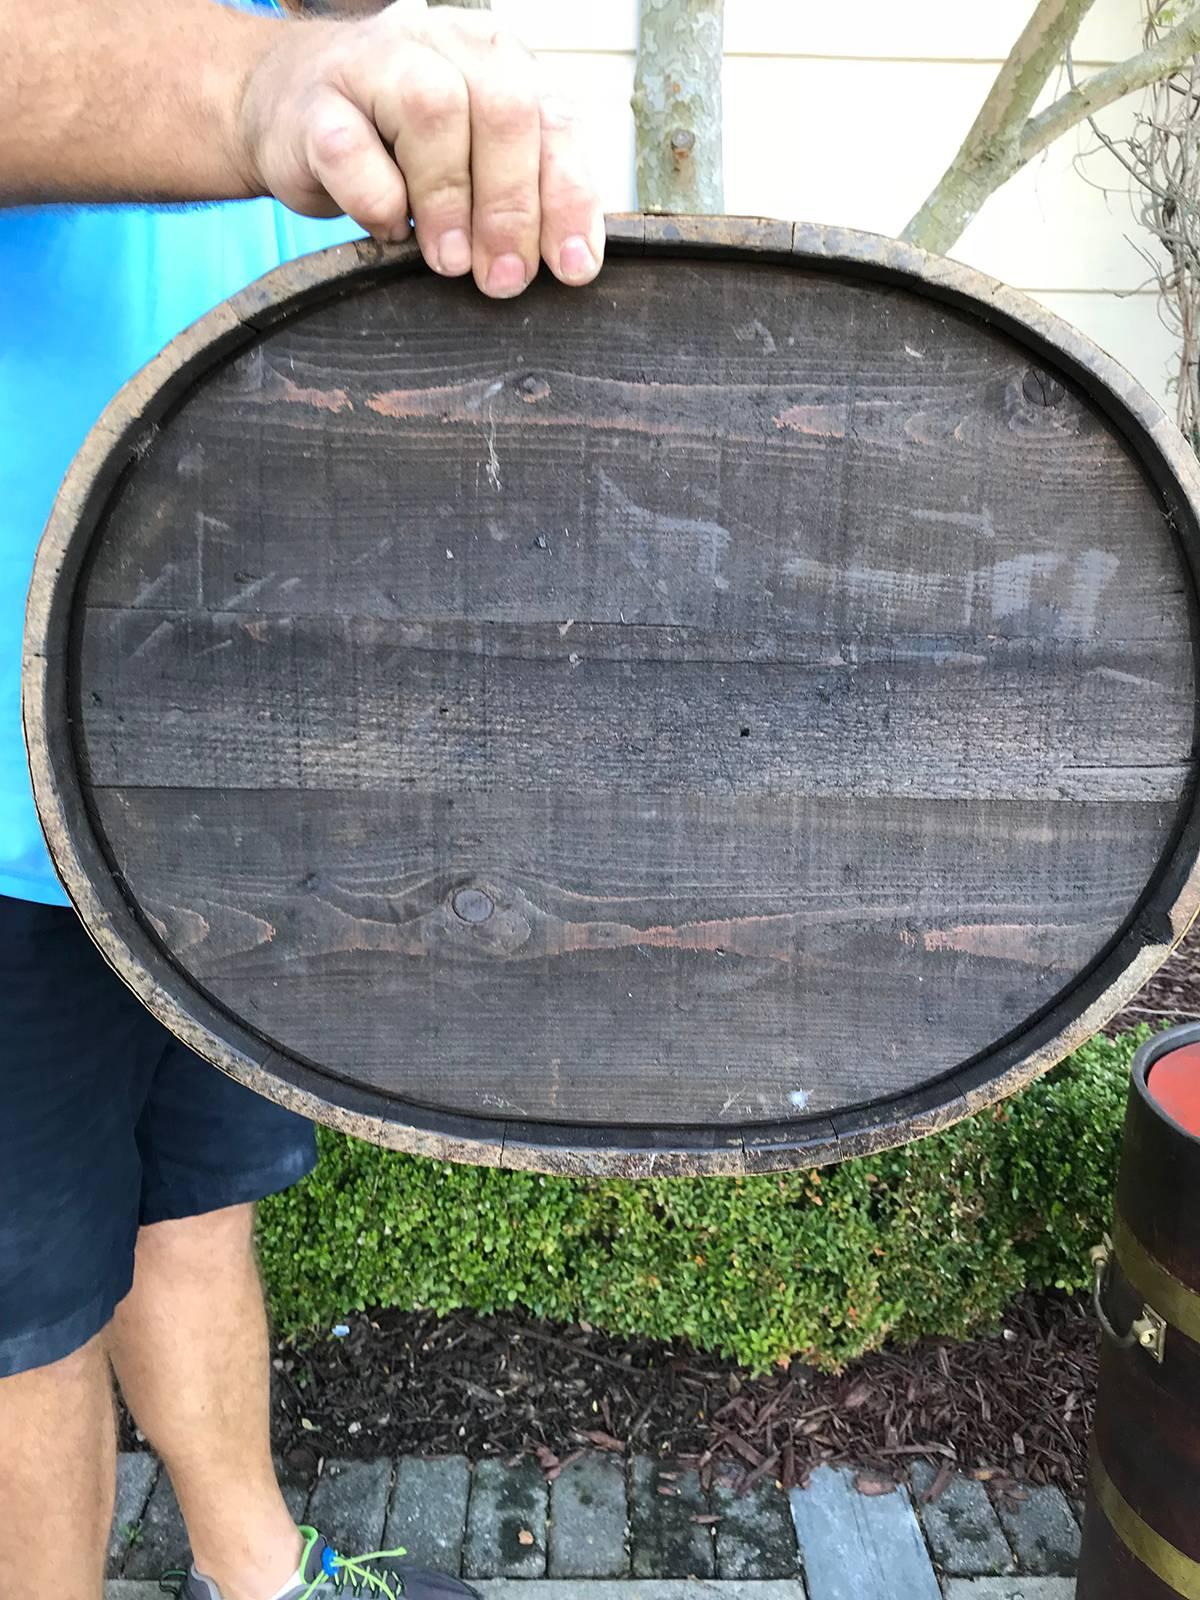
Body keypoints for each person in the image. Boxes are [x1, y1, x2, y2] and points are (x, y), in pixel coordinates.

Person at [0, 3, 604, 1597]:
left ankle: (257, 1575)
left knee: (192, 1204)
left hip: (228, 782)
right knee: (16, 1320)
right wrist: (257, 84)